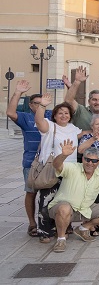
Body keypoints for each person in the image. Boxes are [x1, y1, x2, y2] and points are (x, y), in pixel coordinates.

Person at [47, 141, 99, 252]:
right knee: (64, 208)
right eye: (87, 159)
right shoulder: (73, 168)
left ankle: (83, 228)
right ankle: (61, 239)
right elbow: (57, 165)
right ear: (82, 159)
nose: (90, 163)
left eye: (94, 161)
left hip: (84, 210)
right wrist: (64, 155)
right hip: (62, 209)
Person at [34, 93, 84, 242]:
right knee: (46, 200)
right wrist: (42, 105)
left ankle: (62, 227)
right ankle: (44, 231)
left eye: (66, 113)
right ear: (54, 116)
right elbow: (38, 120)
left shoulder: (73, 128)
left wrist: (98, 131)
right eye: (60, 113)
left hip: (69, 172)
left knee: (65, 201)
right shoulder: (50, 126)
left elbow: (84, 134)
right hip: (51, 169)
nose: (63, 115)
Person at [6, 80, 52, 237]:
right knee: (31, 192)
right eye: (36, 103)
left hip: (49, 163)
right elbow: (11, 113)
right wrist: (18, 92)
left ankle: (48, 222)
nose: (39, 106)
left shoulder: (50, 116)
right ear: (31, 105)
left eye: (42, 103)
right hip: (31, 163)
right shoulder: (26, 118)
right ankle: (32, 223)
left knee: (50, 193)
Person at [64, 66, 99, 130]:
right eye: (94, 100)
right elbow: (68, 100)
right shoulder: (81, 111)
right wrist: (77, 81)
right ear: (89, 101)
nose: (98, 102)